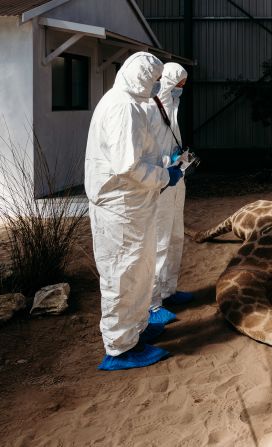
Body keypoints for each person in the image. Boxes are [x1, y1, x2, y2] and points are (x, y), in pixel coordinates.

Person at [85, 52, 183, 371]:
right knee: (123, 274)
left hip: (132, 205)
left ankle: (136, 330)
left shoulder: (130, 102)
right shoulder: (123, 107)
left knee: (139, 269)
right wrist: (164, 176)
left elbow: (138, 154)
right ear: (142, 78)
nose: (158, 87)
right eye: (155, 80)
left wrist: (164, 165)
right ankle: (119, 347)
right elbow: (127, 167)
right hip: (120, 207)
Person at [147, 62, 192, 326]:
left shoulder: (172, 109)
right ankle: (153, 304)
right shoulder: (152, 109)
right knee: (159, 240)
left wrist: (180, 158)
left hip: (176, 178)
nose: (180, 91)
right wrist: (166, 164)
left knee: (175, 236)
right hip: (161, 182)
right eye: (177, 86)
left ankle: (168, 290)